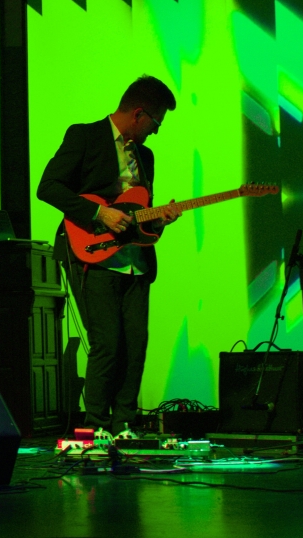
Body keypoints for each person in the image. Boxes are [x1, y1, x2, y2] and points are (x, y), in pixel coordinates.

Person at [37, 75, 179, 435]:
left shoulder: (145, 156)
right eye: (156, 122)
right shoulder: (84, 136)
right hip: (93, 255)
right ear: (139, 113)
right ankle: (97, 427)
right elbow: (48, 187)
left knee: (136, 345)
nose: (156, 131)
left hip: (135, 263)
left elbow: (138, 216)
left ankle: (124, 425)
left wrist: (159, 220)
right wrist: (99, 213)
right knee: (108, 344)